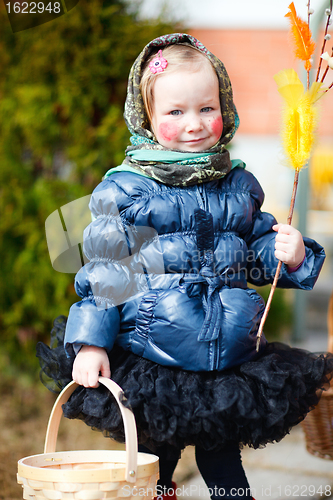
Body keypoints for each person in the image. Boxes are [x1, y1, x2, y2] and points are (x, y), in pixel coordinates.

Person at [37, 33, 333, 500]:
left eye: (206, 108)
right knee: (159, 459)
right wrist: (92, 342)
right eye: (175, 112)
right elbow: (105, 273)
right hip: (156, 353)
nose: (194, 123)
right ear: (147, 119)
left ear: (225, 108)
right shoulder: (128, 190)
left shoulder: (238, 185)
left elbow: (256, 255)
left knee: (222, 458)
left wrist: (292, 255)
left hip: (225, 355)